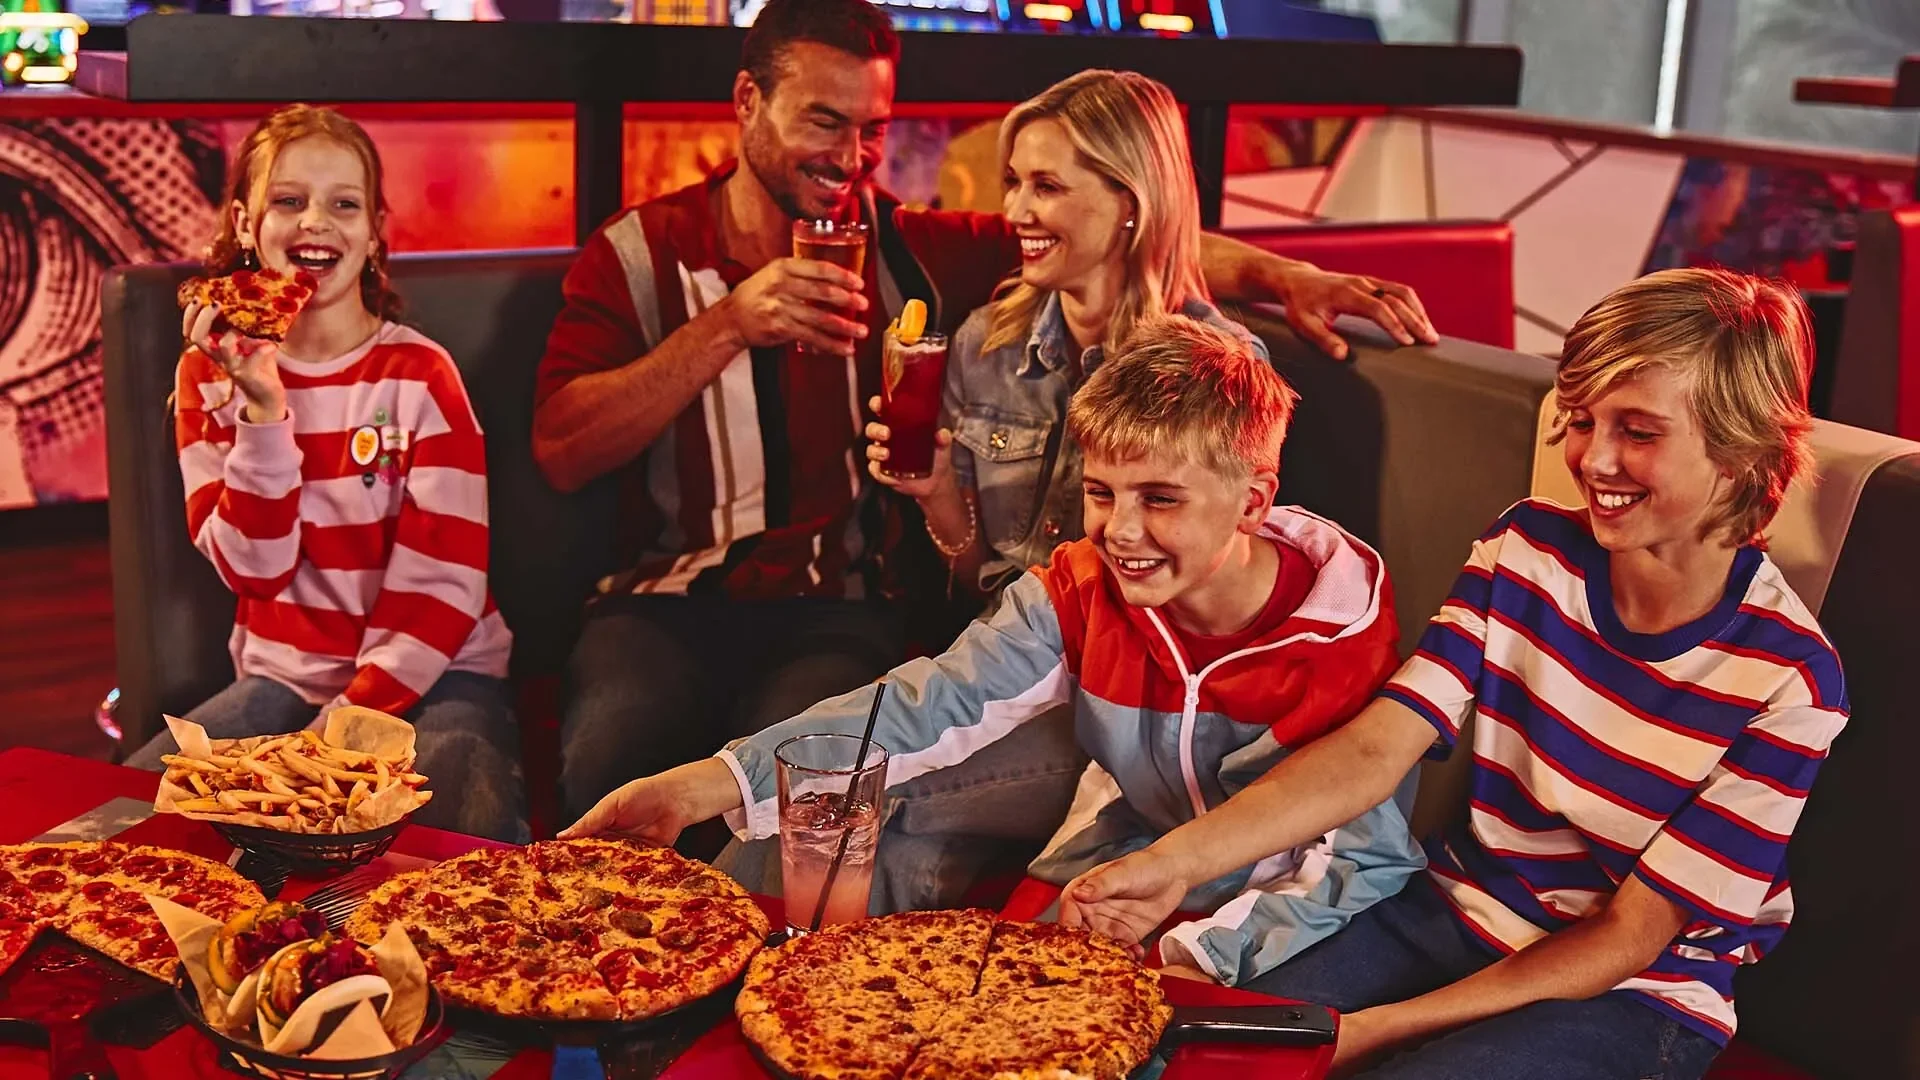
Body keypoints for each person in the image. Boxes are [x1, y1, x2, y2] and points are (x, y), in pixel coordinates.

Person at [532, 0, 1439, 844]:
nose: (852, 159)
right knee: (610, 755)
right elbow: (563, 452)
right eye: (824, 122)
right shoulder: (641, 254)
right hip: (671, 602)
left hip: (848, 610)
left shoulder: (911, 248)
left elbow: (1117, 236)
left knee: (820, 810)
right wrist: (728, 325)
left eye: (873, 131)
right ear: (747, 103)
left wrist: (1286, 275)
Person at [1059, 269, 1848, 1080]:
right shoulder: (1525, 549)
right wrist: (1170, 866)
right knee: (1197, 1056)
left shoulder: (1791, 682)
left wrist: (1379, 1030)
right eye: (1580, 420)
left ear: (1742, 445)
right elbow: (1374, 750)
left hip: (1639, 993)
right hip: (1448, 911)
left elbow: (1628, 938)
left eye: (1639, 432)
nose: (1594, 458)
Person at [566, 314, 1426, 981]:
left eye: (1160, 499)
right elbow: (926, 703)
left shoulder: (1337, 633)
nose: (1121, 531)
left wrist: (1188, 957)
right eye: (1101, 492)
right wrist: (701, 785)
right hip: (1116, 854)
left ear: (1253, 500)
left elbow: (1366, 857)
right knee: (837, 825)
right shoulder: (1084, 584)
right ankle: (738, 1002)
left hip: (1277, 907)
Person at [125, 105, 526, 844]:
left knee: (452, 830)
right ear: (245, 224)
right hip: (282, 673)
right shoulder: (206, 376)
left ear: (375, 231)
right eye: (289, 200)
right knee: (132, 818)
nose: (316, 221)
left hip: (437, 673)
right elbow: (257, 571)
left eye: (345, 204)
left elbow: (443, 589)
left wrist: (337, 730)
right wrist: (263, 407)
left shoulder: (420, 375)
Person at [869, 69, 1269, 602]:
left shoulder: (1213, 367)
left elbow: (1206, 598)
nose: (1013, 211)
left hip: (1119, 669)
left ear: (1130, 201)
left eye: (1047, 187)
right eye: (1013, 182)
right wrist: (937, 492)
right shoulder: (983, 343)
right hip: (998, 655)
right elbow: (976, 586)